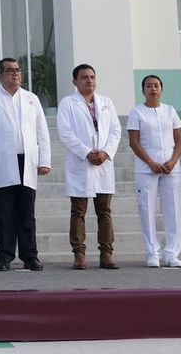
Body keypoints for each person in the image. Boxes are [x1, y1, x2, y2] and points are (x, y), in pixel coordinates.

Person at [0, 57, 51, 272]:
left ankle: (30, 256)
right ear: (0, 75)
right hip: (1, 162)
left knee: (27, 214)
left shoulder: (31, 99)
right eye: (10, 70)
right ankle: (5, 256)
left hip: (27, 161)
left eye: (18, 70)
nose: (15, 74)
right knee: (4, 213)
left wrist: (44, 160)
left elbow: (42, 132)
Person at [56, 63, 123, 270]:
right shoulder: (68, 103)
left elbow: (115, 130)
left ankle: (106, 254)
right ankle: (79, 254)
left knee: (105, 211)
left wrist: (105, 152)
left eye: (92, 77)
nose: (89, 81)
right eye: (84, 77)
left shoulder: (106, 102)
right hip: (81, 162)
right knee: (78, 211)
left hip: (103, 163)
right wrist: (87, 152)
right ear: (75, 81)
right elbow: (65, 133)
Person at [127, 74, 181, 268]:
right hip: (146, 168)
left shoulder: (170, 110)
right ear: (143, 90)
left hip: (171, 167)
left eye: (157, 85)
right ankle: (152, 253)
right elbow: (134, 142)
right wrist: (150, 162)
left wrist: (173, 161)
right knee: (147, 209)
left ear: (162, 89)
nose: (153, 89)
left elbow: (179, 140)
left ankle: (172, 253)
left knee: (173, 209)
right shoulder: (137, 112)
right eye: (149, 86)